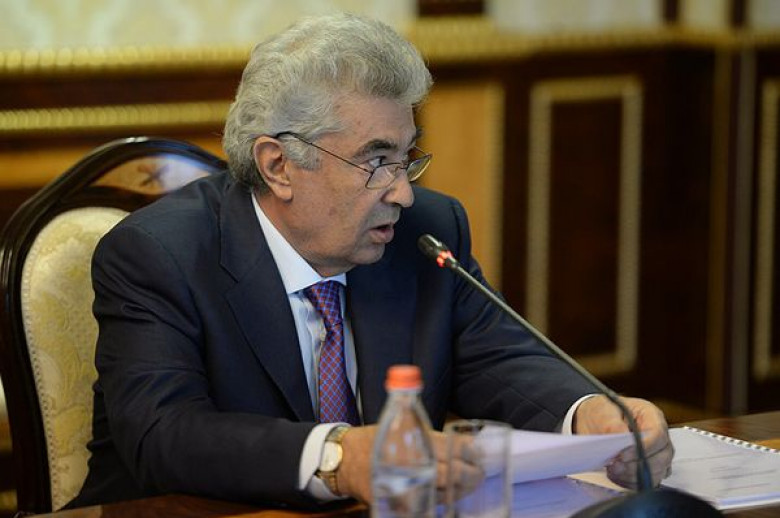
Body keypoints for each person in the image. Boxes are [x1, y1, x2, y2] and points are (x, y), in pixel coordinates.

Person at [70, 12, 672, 509]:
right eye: (376, 161)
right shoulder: (160, 255)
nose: (402, 193)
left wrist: (591, 414)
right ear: (279, 166)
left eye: (407, 158)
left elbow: (497, 358)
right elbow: (165, 434)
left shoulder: (426, 230)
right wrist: (338, 456)